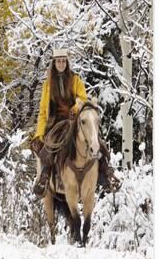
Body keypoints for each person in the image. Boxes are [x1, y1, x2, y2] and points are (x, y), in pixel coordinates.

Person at [30, 48, 115, 198]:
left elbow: (82, 98)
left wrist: (75, 109)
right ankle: (44, 178)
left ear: (66, 63)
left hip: (74, 119)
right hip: (55, 121)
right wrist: (39, 133)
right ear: (54, 63)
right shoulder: (47, 84)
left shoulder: (75, 79)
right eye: (58, 61)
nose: (61, 64)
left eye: (63, 61)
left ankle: (107, 175)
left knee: (96, 140)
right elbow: (43, 110)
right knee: (49, 146)